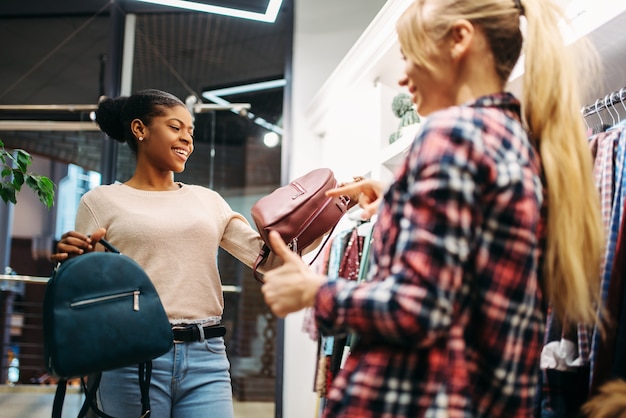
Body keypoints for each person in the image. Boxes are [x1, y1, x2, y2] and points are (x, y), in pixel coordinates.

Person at [261, 0, 605, 416]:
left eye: (408, 56)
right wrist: (396, 202)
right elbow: (470, 284)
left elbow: (418, 308)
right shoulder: (520, 142)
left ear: (460, 38)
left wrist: (314, 290)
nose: (403, 76)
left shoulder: (450, 134)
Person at [50, 88, 284, 418]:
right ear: (140, 129)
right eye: (176, 127)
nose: (187, 139)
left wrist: (322, 216)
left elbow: (270, 260)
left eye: (190, 131)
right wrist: (74, 261)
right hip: (130, 357)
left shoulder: (208, 201)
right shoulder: (100, 201)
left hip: (207, 355)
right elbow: (85, 291)